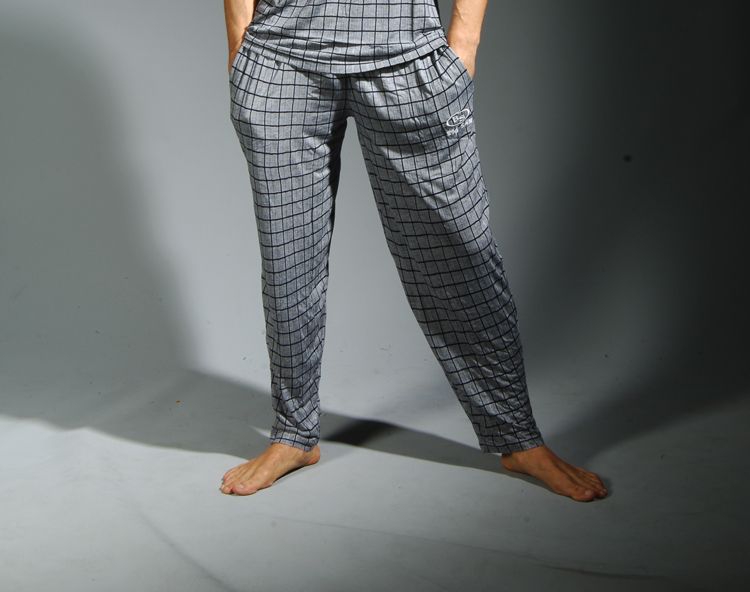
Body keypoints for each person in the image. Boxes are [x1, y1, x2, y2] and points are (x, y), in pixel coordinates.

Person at [220, 0, 608, 502]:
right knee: (287, 263)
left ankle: (518, 438)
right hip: (280, 59)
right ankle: (293, 434)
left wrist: (464, 44)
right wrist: (241, 42)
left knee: (462, 255)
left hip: (406, 55)